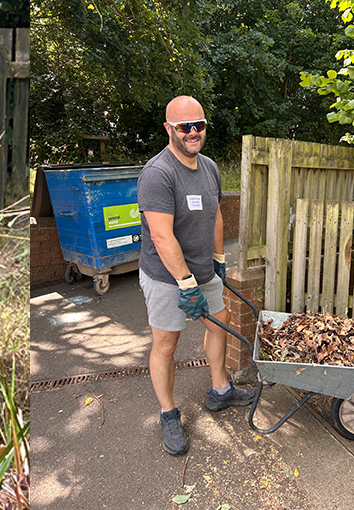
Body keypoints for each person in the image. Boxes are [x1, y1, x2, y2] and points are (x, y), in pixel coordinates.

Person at [137, 95, 256, 455]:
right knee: (166, 344)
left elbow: (215, 214)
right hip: (166, 276)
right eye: (184, 127)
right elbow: (161, 235)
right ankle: (169, 413)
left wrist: (218, 259)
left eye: (198, 125)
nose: (192, 132)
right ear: (168, 129)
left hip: (203, 270)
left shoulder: (209, 167)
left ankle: (220, 390)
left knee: (219, 322)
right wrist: (187, 285)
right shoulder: (158, 174)